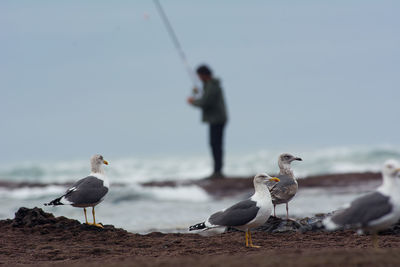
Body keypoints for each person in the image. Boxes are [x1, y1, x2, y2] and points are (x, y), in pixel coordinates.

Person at [187, 65, 228, 179]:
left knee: (216, 145)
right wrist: (195, 92)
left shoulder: (212, 86)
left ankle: (217, 172)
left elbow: (205, 102)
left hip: (217, 119)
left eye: (199, 75)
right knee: (215, 145)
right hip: (216, 119)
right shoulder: (210, 85)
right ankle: (217, 171)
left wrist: (192, 101)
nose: (199, 78)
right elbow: (205, 96)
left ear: (204, 74)